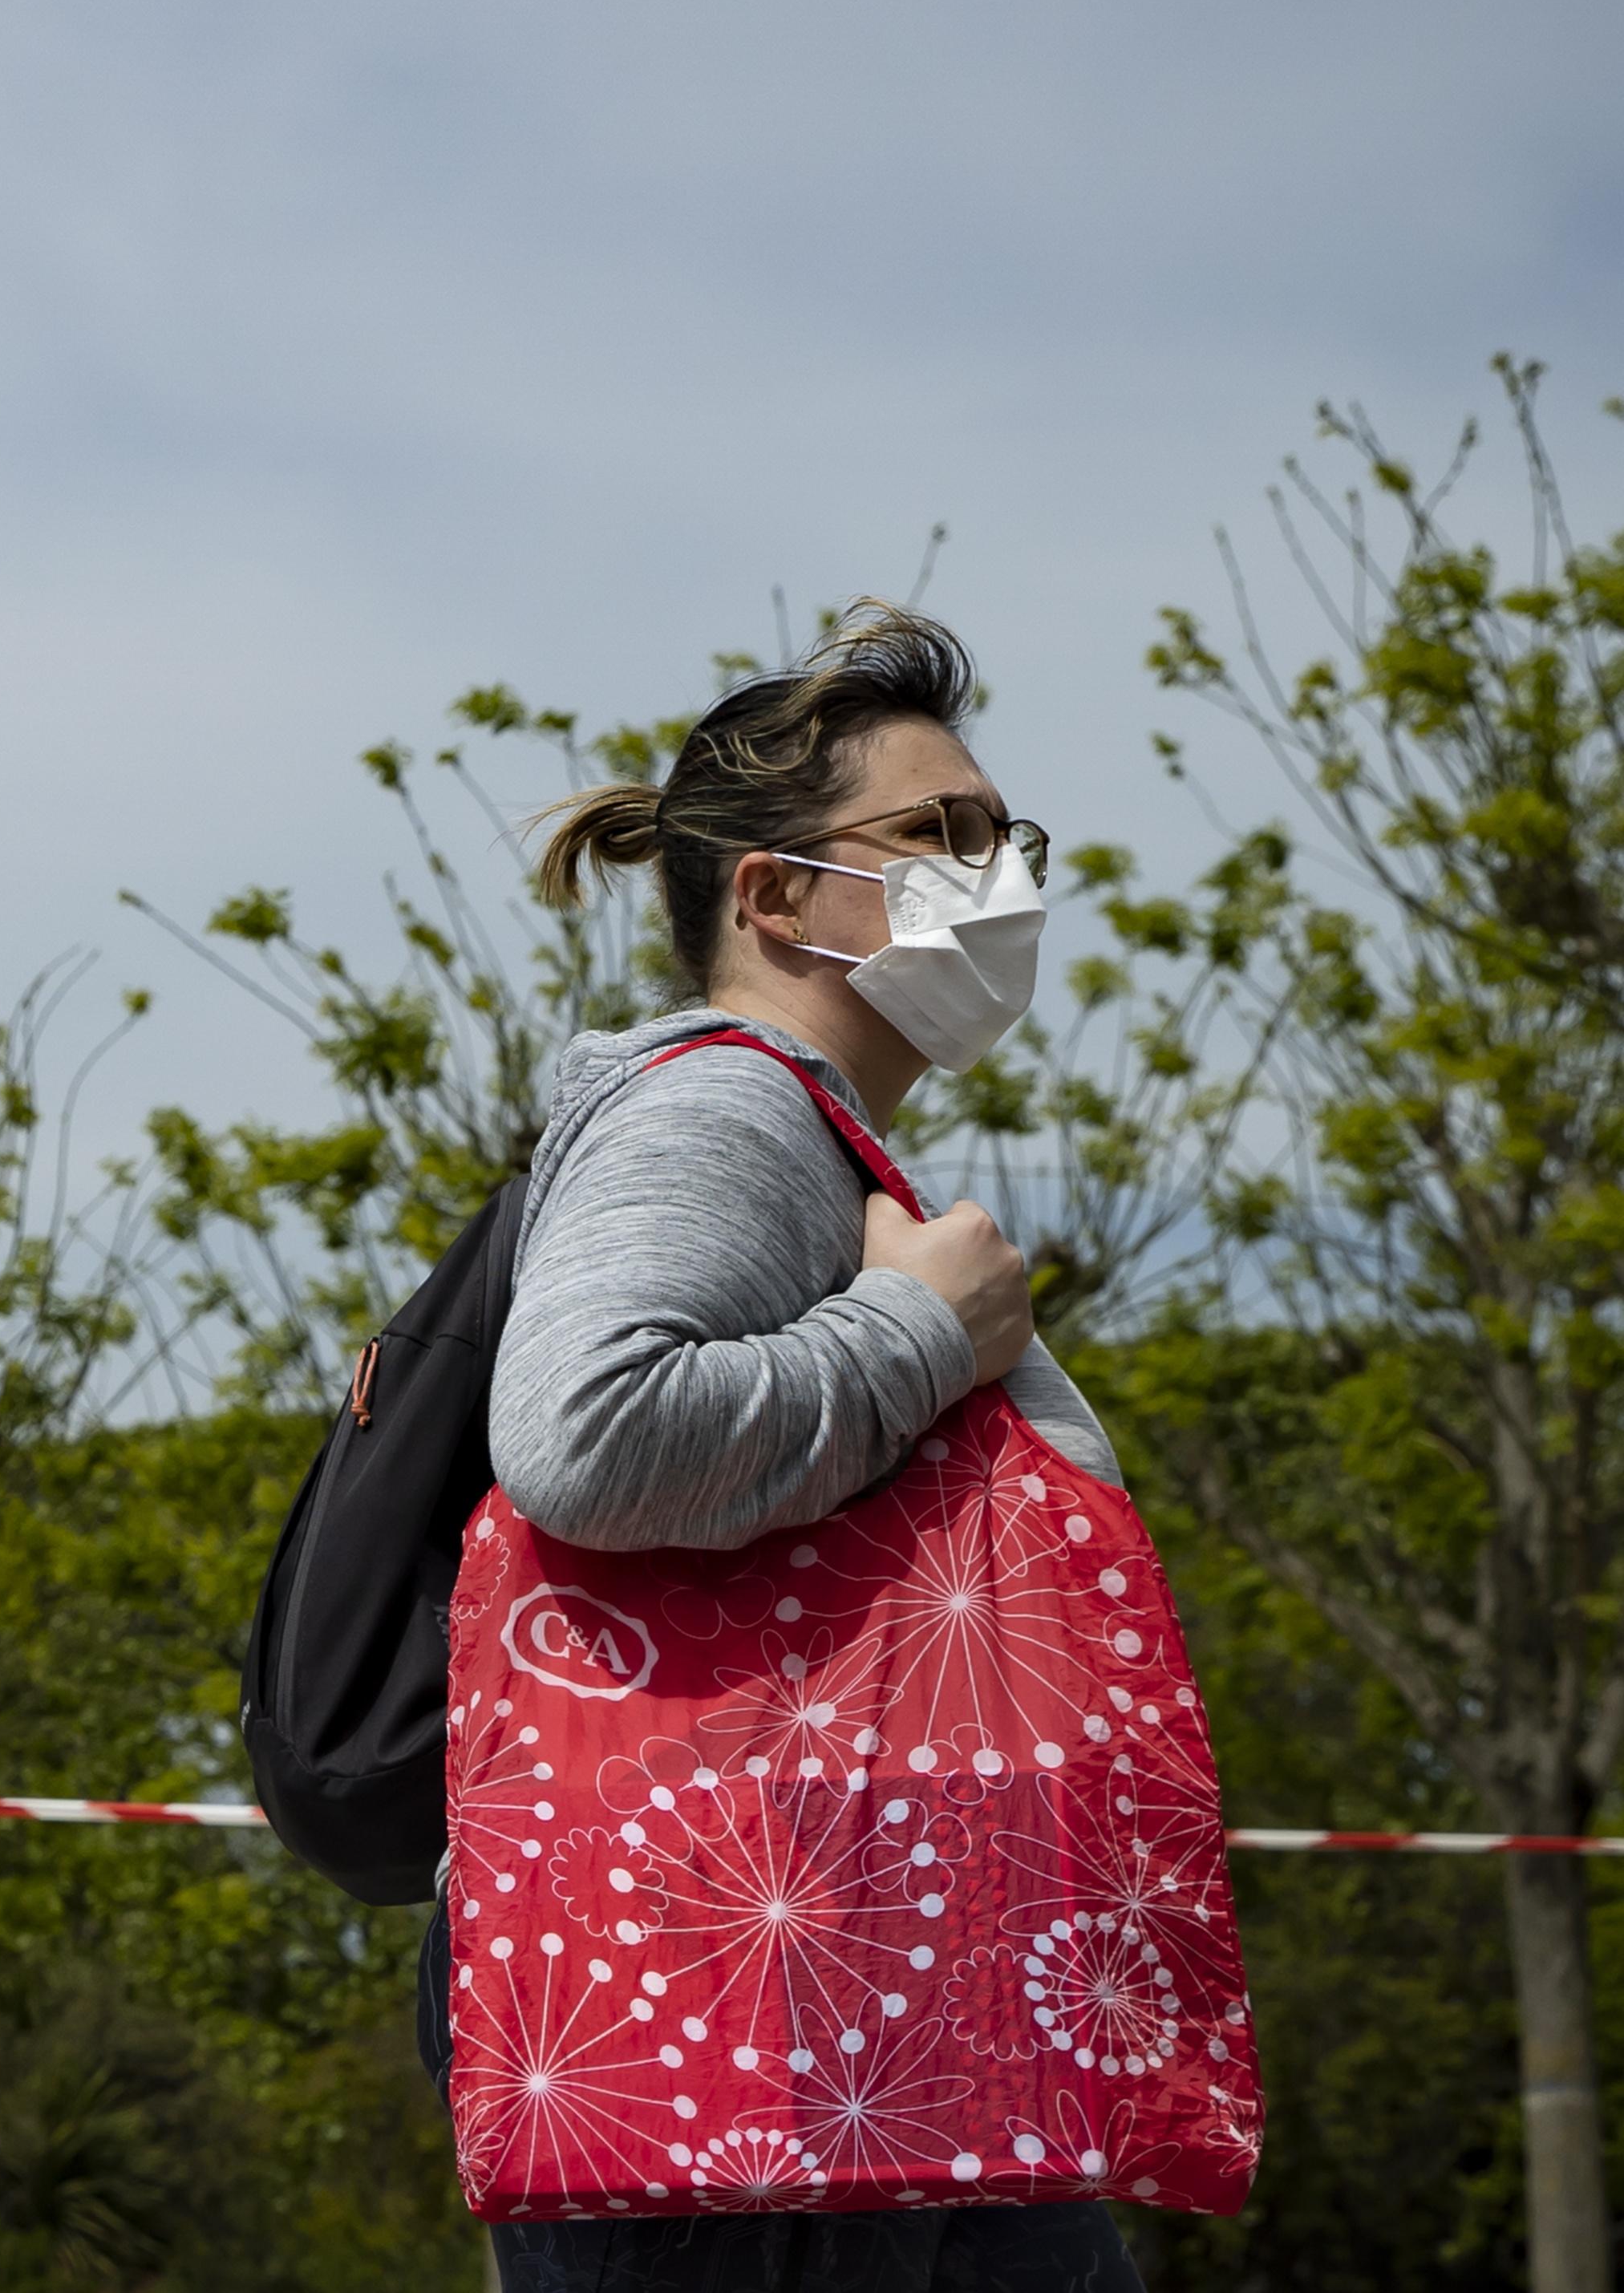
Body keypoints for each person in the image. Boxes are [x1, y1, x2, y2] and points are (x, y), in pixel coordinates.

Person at [444, 603, 1144, 2293]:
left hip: (851, 1986)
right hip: (767, 1993)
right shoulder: (723, 1108)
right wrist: (923, 1333)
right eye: (938, 838)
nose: (1000, 881)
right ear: (768, 894)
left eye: (1006, 838)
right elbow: (583, 1434)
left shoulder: (797, 1130)